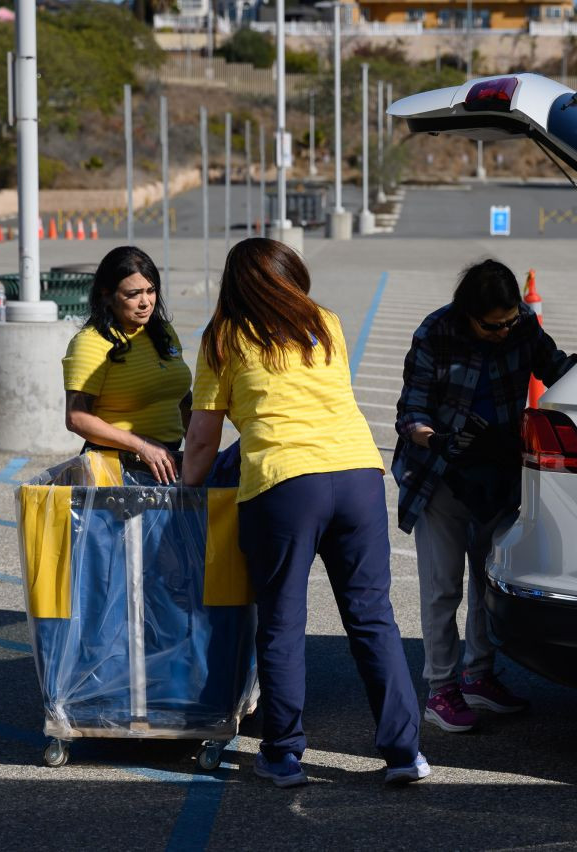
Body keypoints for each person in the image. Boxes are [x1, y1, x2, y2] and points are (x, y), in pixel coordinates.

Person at [180, 237, 427, 788]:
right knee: (371, 615)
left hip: (286, 482)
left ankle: (284, 753)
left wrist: (184, 496)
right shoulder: (326, 323)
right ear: (289, 277)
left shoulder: (224, 335)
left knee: (284, 620)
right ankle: (404, 752)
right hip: (360, 474)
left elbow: (201, 438)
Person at [393, 259, 577, 733]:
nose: (503, 332)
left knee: (487, 581)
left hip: (498, 473)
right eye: (492, 325)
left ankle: (478, 678)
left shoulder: (524, 329)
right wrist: (435, 440)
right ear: (469, 314)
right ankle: (440, 689)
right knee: (443, 587)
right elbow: (410, 411)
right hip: (442, 475)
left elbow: (560, 370)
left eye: (510, 320)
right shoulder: (436, 332)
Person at [62, 246, 191, 484]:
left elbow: (182, 396)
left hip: (166, 462)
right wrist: (141, 445)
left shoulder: (162, 331)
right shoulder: (91, 343)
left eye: (151, 291)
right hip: (114, 469)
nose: (146, 302)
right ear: (106, 295)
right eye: (133, 294)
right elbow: (76, 418)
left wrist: (198, 448)